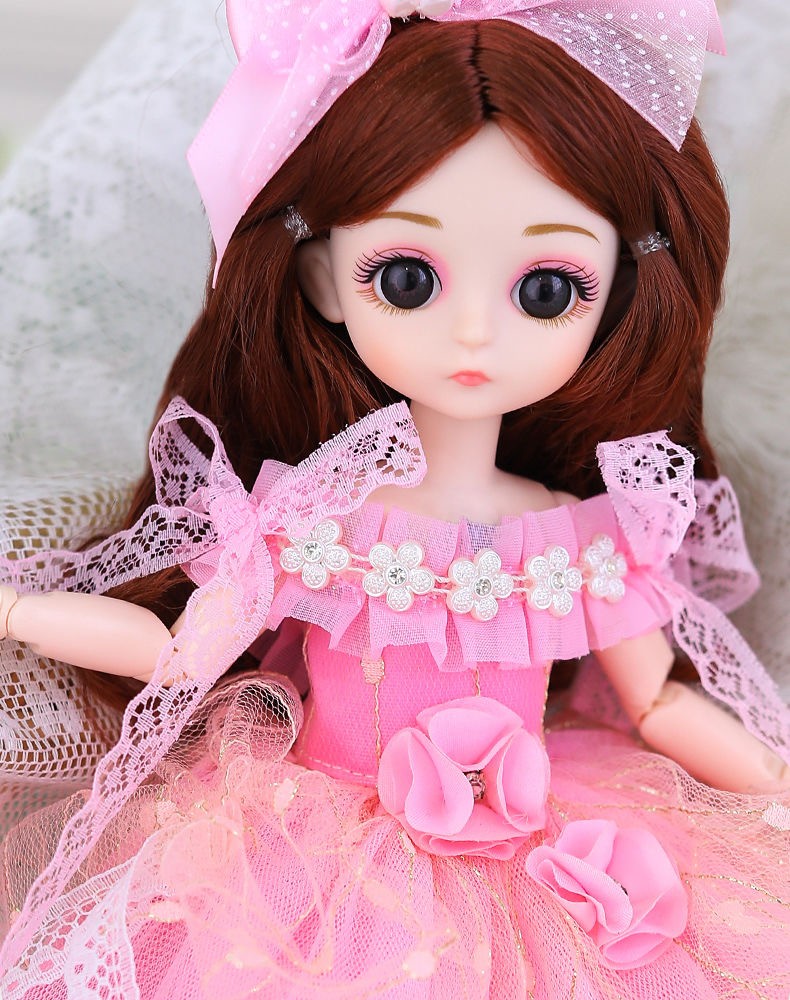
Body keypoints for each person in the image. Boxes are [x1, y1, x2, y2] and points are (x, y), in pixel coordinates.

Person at [0, 2, 788, 997]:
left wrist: (773, 782)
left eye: (546, 289)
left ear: (615, 295)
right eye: (408, 278)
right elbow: (180, 659)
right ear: (324, 280)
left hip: (544, 861)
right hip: (305, 858)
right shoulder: (314, 522)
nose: (473, 333)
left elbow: (660, 701)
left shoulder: (589, 540)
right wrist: (19, 610)